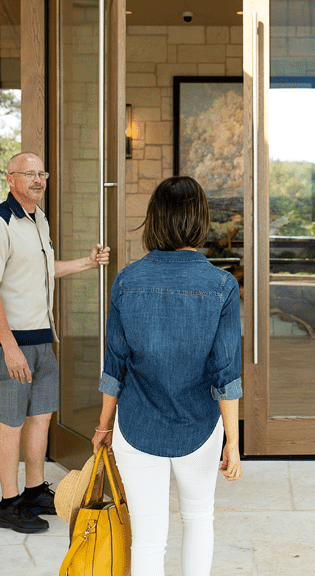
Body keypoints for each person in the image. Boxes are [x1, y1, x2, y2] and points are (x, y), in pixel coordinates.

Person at [92, 176, 242, 576]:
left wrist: (104, 425)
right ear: (201, 220)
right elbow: (225, 372)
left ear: (154, 219)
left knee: (147, 538)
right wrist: (233, 439)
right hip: (200, 425)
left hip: (136, 424)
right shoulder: (222, 285)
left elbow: (114, 365)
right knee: (199, 519)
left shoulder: (127, 281)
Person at [0, 152, 110, 534]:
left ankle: (34, 492)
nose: (38, 180)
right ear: (10, 179)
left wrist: (87, 263)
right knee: (11, 423)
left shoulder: (38, 219)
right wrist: (10, 348)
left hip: (41, 337)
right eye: (29, 174)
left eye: (42, 173)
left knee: (40, 418)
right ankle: (8, 505)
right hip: (11, 342)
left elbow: (42, 270)